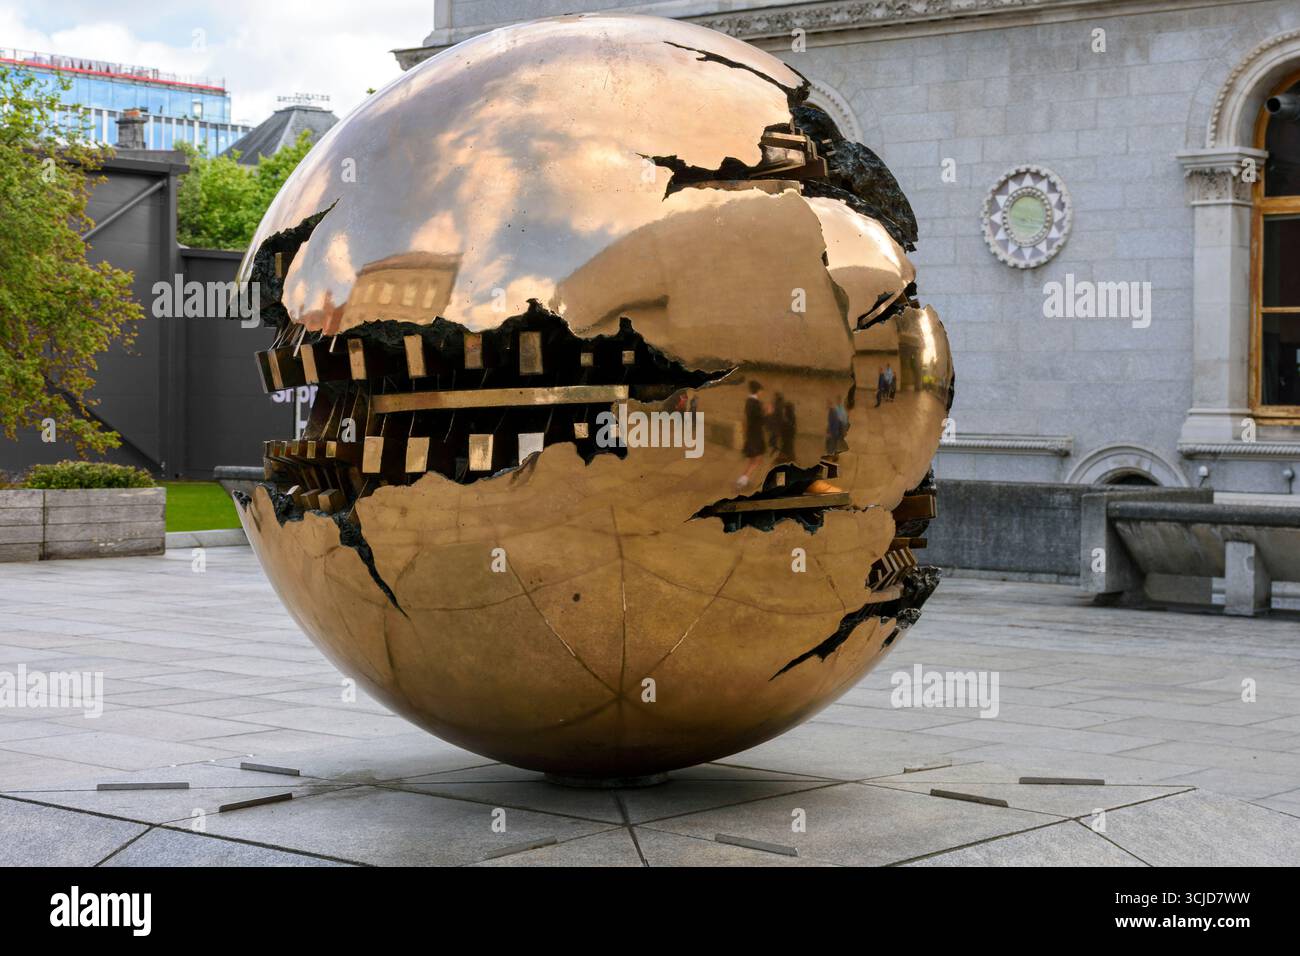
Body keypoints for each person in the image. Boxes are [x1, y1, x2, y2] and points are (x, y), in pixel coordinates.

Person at [737, 380, 766, 491]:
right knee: (756, 459)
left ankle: (744, 480)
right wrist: (766, 412)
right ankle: (742, 481)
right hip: (756, 435)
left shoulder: (749, 402)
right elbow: (760, 420)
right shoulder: (756, 403)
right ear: (758, 391)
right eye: (761, 391)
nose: (761, 393)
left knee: (753, 459)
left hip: (752, 434)